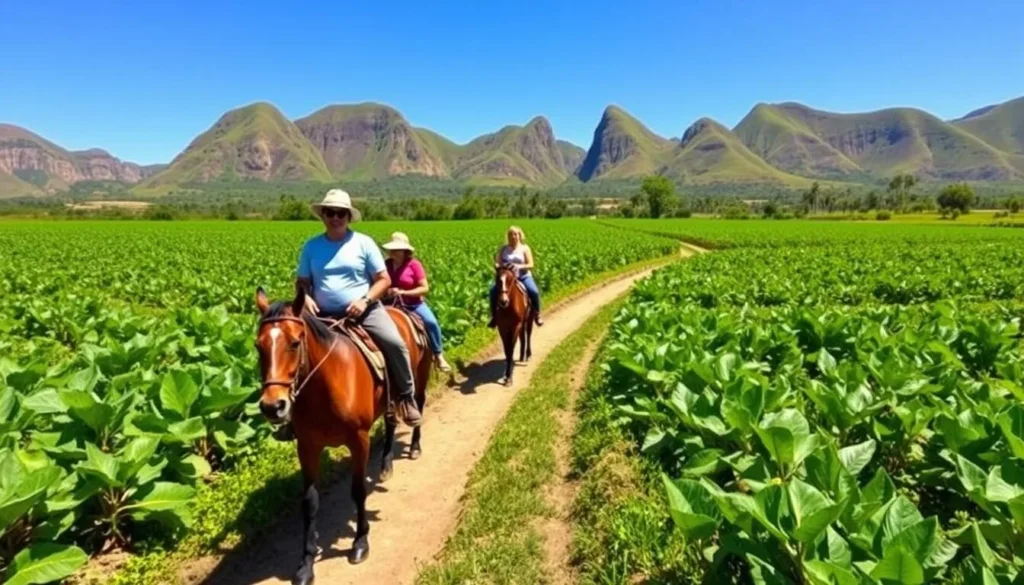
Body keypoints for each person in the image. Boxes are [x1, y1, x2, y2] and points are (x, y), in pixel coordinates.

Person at [295, 188, 422, 427]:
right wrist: (306, 297)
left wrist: (364, 300)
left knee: (395, 342)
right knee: (289, 350)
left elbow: (383, 279)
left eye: (340, 213)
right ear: (322, 215)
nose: (335, 218)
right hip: (320, 315)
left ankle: (405, 397)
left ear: (348, 217)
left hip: (365, 311)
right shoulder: (311, 247)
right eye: (330, 212)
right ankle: (292, 415)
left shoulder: (363, 243)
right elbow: (302, 281)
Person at [381, 231, 452, 373]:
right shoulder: (386, 264)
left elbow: (424, 288)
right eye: (391, 249)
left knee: (431, 322)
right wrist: (386, 291)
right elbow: (380, 282)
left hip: (413, 304)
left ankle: (438, 354)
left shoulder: (414, 265)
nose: (392, 252)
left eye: (396, 249)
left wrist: (403, 292)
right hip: (389, 303)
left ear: (404, 251)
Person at [488, 225, 543, 328]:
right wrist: (498, 265)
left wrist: (518, 266)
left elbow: (531, 264)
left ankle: (537, 314)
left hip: (523, 276)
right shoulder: (503, 249)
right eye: (510, 235)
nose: (513, 237)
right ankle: (494, 317)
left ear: (519, 236)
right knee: (492, 291)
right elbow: (498, 262)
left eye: (515, 234)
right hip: (507, 278)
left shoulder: (525, 248)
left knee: (534, 291)